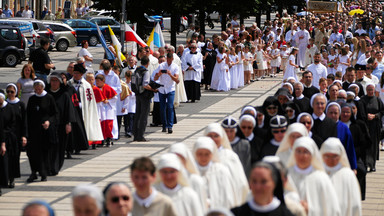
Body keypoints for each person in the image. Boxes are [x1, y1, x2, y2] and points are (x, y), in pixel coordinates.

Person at [286, 137, 341, 215]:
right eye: (298, 151)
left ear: (312, 155)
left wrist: (310, 209)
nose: (301, 156)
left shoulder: (321, 178)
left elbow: (332, 209)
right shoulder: (286, 175)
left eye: (305, 152)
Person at [204, 123, 249, 205]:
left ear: (222, 138)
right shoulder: (200, 156)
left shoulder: (230, 156)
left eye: (216, 136)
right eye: (210, 136)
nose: (213, 139)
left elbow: (240, 182)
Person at [26, 80, 59, 182]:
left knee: (44, 152)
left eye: (39, 88)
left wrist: (49, 122)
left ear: (43, 87)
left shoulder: (49, 98)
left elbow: (55, 114)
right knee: (32, 152)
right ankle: (33, 172)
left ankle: (43, 172)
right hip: (34, 130)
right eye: (35, 88)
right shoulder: (32, 99)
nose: (37, 90)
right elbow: (28, 115)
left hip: (45, 130)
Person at [320, 138, 362, 216]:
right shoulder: (317, 174)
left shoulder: (348, 175)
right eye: (327, 156)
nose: (331, 159)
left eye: (334, 156)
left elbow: (355, 204)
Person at [193, 137, 237, 209]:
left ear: (212, 154)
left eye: (207, 154)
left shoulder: (221, 171)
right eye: (200, 154)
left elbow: (227, 197)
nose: (203, 157)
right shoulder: (189, 173)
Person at [68, 64, 103, 151]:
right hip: (72, 108)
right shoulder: (69, 83)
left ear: (81, 74)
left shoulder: (86, 85)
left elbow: (89, 99)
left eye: (77, 73)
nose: (75, 75)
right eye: (74, 73)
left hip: (82, 109)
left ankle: (80, 144)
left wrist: (85, 106)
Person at [325, 102, 358, 171]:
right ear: (326, 113)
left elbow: (350, 148)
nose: (333, 115)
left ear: (339, 114)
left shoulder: (344, 128)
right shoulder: (322, 126)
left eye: (335, 113)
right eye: (331, 113)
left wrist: (353, 167)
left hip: (340, 163)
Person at [360, 83, 384, 172]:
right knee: (365, 145)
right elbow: (360, 112)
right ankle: (365, 163)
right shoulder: (362, 100)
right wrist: (366, 116)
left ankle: (372, 164)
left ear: (374, 91)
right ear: (366, 90)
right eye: (369, 90)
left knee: (374, 146)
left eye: (372, 90)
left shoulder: (377, 100)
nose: (370, 91)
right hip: (365, 125)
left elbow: (382, 111)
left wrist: (375, 116)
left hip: (375, 126)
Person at [154, 53, 179, 133]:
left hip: (170, 89)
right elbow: (155, 78)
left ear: (172, 59)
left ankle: (170, 125)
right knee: (162, 108)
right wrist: (159, 74)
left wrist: (170, 74)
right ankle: (164, 125)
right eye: (167, 59)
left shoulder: (175, 66)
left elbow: (177, 80)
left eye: (170, 59)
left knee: (170, 107)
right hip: (162, 89)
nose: (168, 61)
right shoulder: (161, 66)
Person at [132, 56, 156, 142]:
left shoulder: (136, 70)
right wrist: (153, 89)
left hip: (137, 94)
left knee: (137, 114)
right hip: (144, 96)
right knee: (144, 116)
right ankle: (140, 135)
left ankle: (135, 134)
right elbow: (145, 84)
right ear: (148, 63)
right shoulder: (145, 72)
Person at [95, 74, 117, 146]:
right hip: (100, 108)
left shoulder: (108, 88)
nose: (97, 82)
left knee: (108, 124)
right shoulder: (96, 89)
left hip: (108, 109)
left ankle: (109, 138)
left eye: (98, 81)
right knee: (101, 124)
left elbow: (115, 98)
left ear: (103, 81)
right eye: (96, 81)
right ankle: (101, 139)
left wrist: (108, 101)